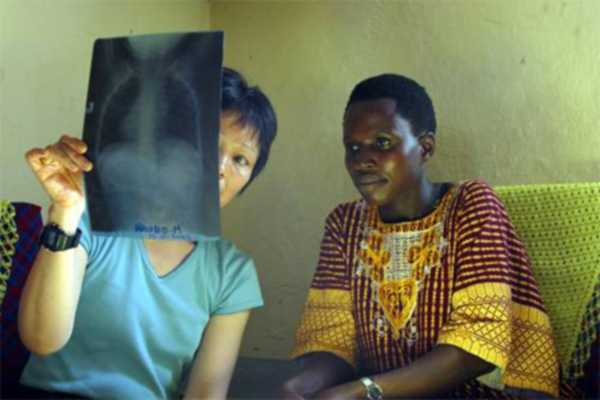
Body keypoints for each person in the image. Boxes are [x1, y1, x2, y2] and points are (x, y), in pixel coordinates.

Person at [283, 74, 559, 399]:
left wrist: (366, 390)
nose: (362, 161)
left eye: (383, 142)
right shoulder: (344, 224)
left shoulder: (470, 205)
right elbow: (332, 337)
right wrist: (303, 386)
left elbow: (478, 344)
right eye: (353, 147)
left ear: (425, 148)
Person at [17, 67, 277, 399]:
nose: (220, 168)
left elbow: (206, 393)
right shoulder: (90, 220)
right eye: (208, 143)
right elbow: (41, 339)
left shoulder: (232, 272)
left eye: (240, 159)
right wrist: (66, 211)